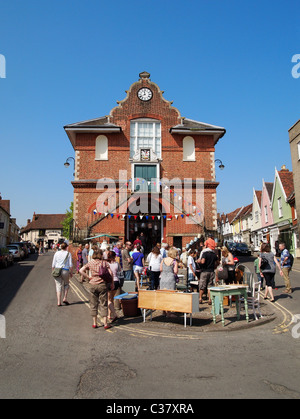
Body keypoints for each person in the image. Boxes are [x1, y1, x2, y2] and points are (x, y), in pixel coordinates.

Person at [79, 249, 113, 329]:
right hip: (102, 285)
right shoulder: (104, 263)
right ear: (101, 255)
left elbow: (81, 270)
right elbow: (111, 273)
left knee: (93, 304)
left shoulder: (91, 262)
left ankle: (94, 323)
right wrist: (111, 282)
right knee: (103, 304)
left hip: (92, 285)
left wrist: (88, 277)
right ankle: (105, 323)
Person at [51, 242, 73, 306]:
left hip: (57, 270)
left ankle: (58, 302)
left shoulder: (56, 253)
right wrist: (71, 272)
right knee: (66, 284)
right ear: (66, 247)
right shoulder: (68, 254)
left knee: (58, 286)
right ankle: (65, 298)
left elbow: (53, 264)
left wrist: (53, 271)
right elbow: (70, 265)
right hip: (65, 270)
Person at [160, 247, 179, 317]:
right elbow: (175, 271)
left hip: (163, 279)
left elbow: (161, 269)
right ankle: (169, 312)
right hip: (170, 279)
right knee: (170, 295)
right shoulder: (174, 261)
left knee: (163, 295)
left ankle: (164, 311)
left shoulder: (163, 260)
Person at [107, 250, 121, 322]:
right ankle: (109, 315)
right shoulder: (117, 264)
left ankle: (114, 314)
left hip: (109, 282)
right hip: (116, 281)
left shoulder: (106, 264)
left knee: (108, 300)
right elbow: (120, 271)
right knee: (111, 299)